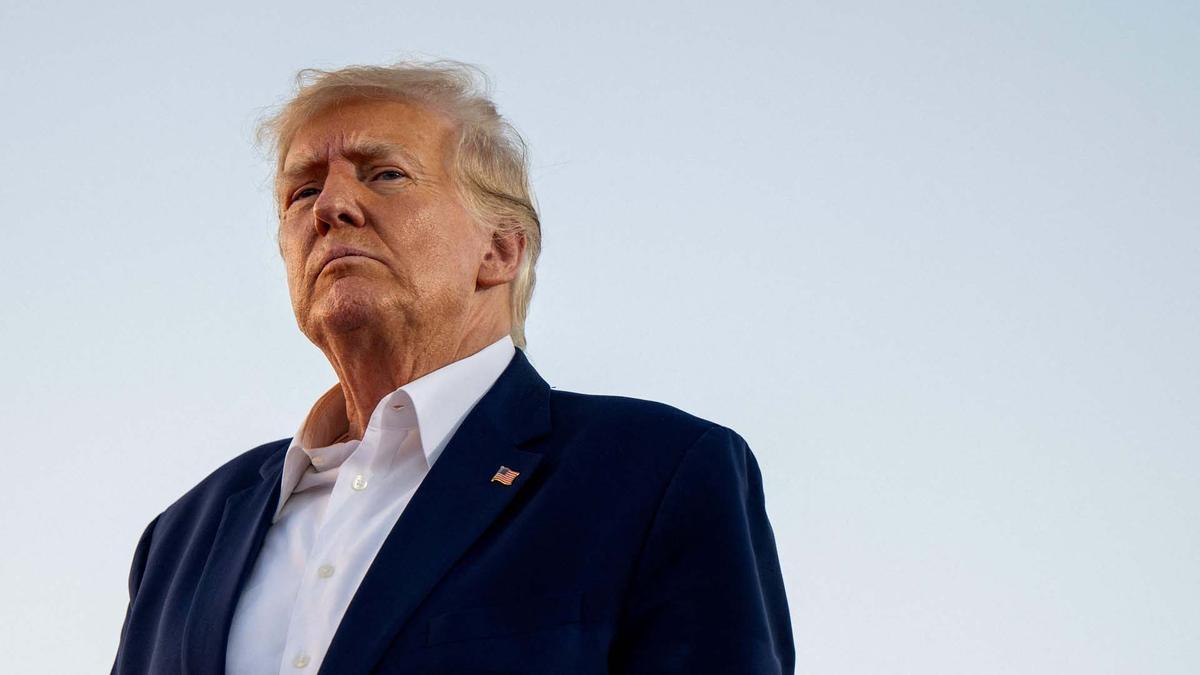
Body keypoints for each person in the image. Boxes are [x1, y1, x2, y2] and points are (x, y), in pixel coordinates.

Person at [110, 60, 794, 674]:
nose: (331, 207)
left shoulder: (658, 473)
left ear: (500, 250)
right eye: (301, 191)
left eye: (384, 174)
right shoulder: (181, 536)